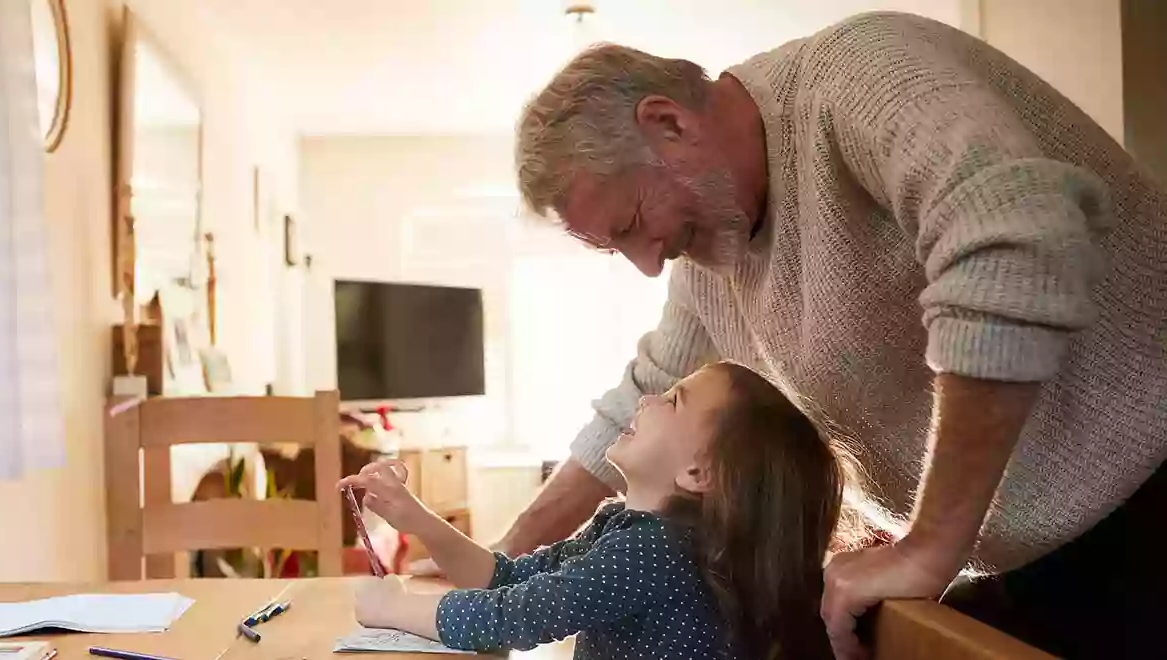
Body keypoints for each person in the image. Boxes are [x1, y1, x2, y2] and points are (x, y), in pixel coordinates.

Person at [483, 10, 1166, 659]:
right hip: (1011, 561)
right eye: (616, 249)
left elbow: (1014, 239)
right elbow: (637, 398)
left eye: (631, 222)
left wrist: (930, 545)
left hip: (1145, 501)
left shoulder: (856, 74)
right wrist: (499, 568)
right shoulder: (707, 262)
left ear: (667, 122)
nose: (647, 262)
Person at [344, 362, 850, 659]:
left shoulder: (658, 551)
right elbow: (508, 581)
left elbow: (514, 617)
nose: (648, 399)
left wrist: (391, 609)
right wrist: (415, 517)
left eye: (672, 402)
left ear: (699, 473)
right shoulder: (628, 529)